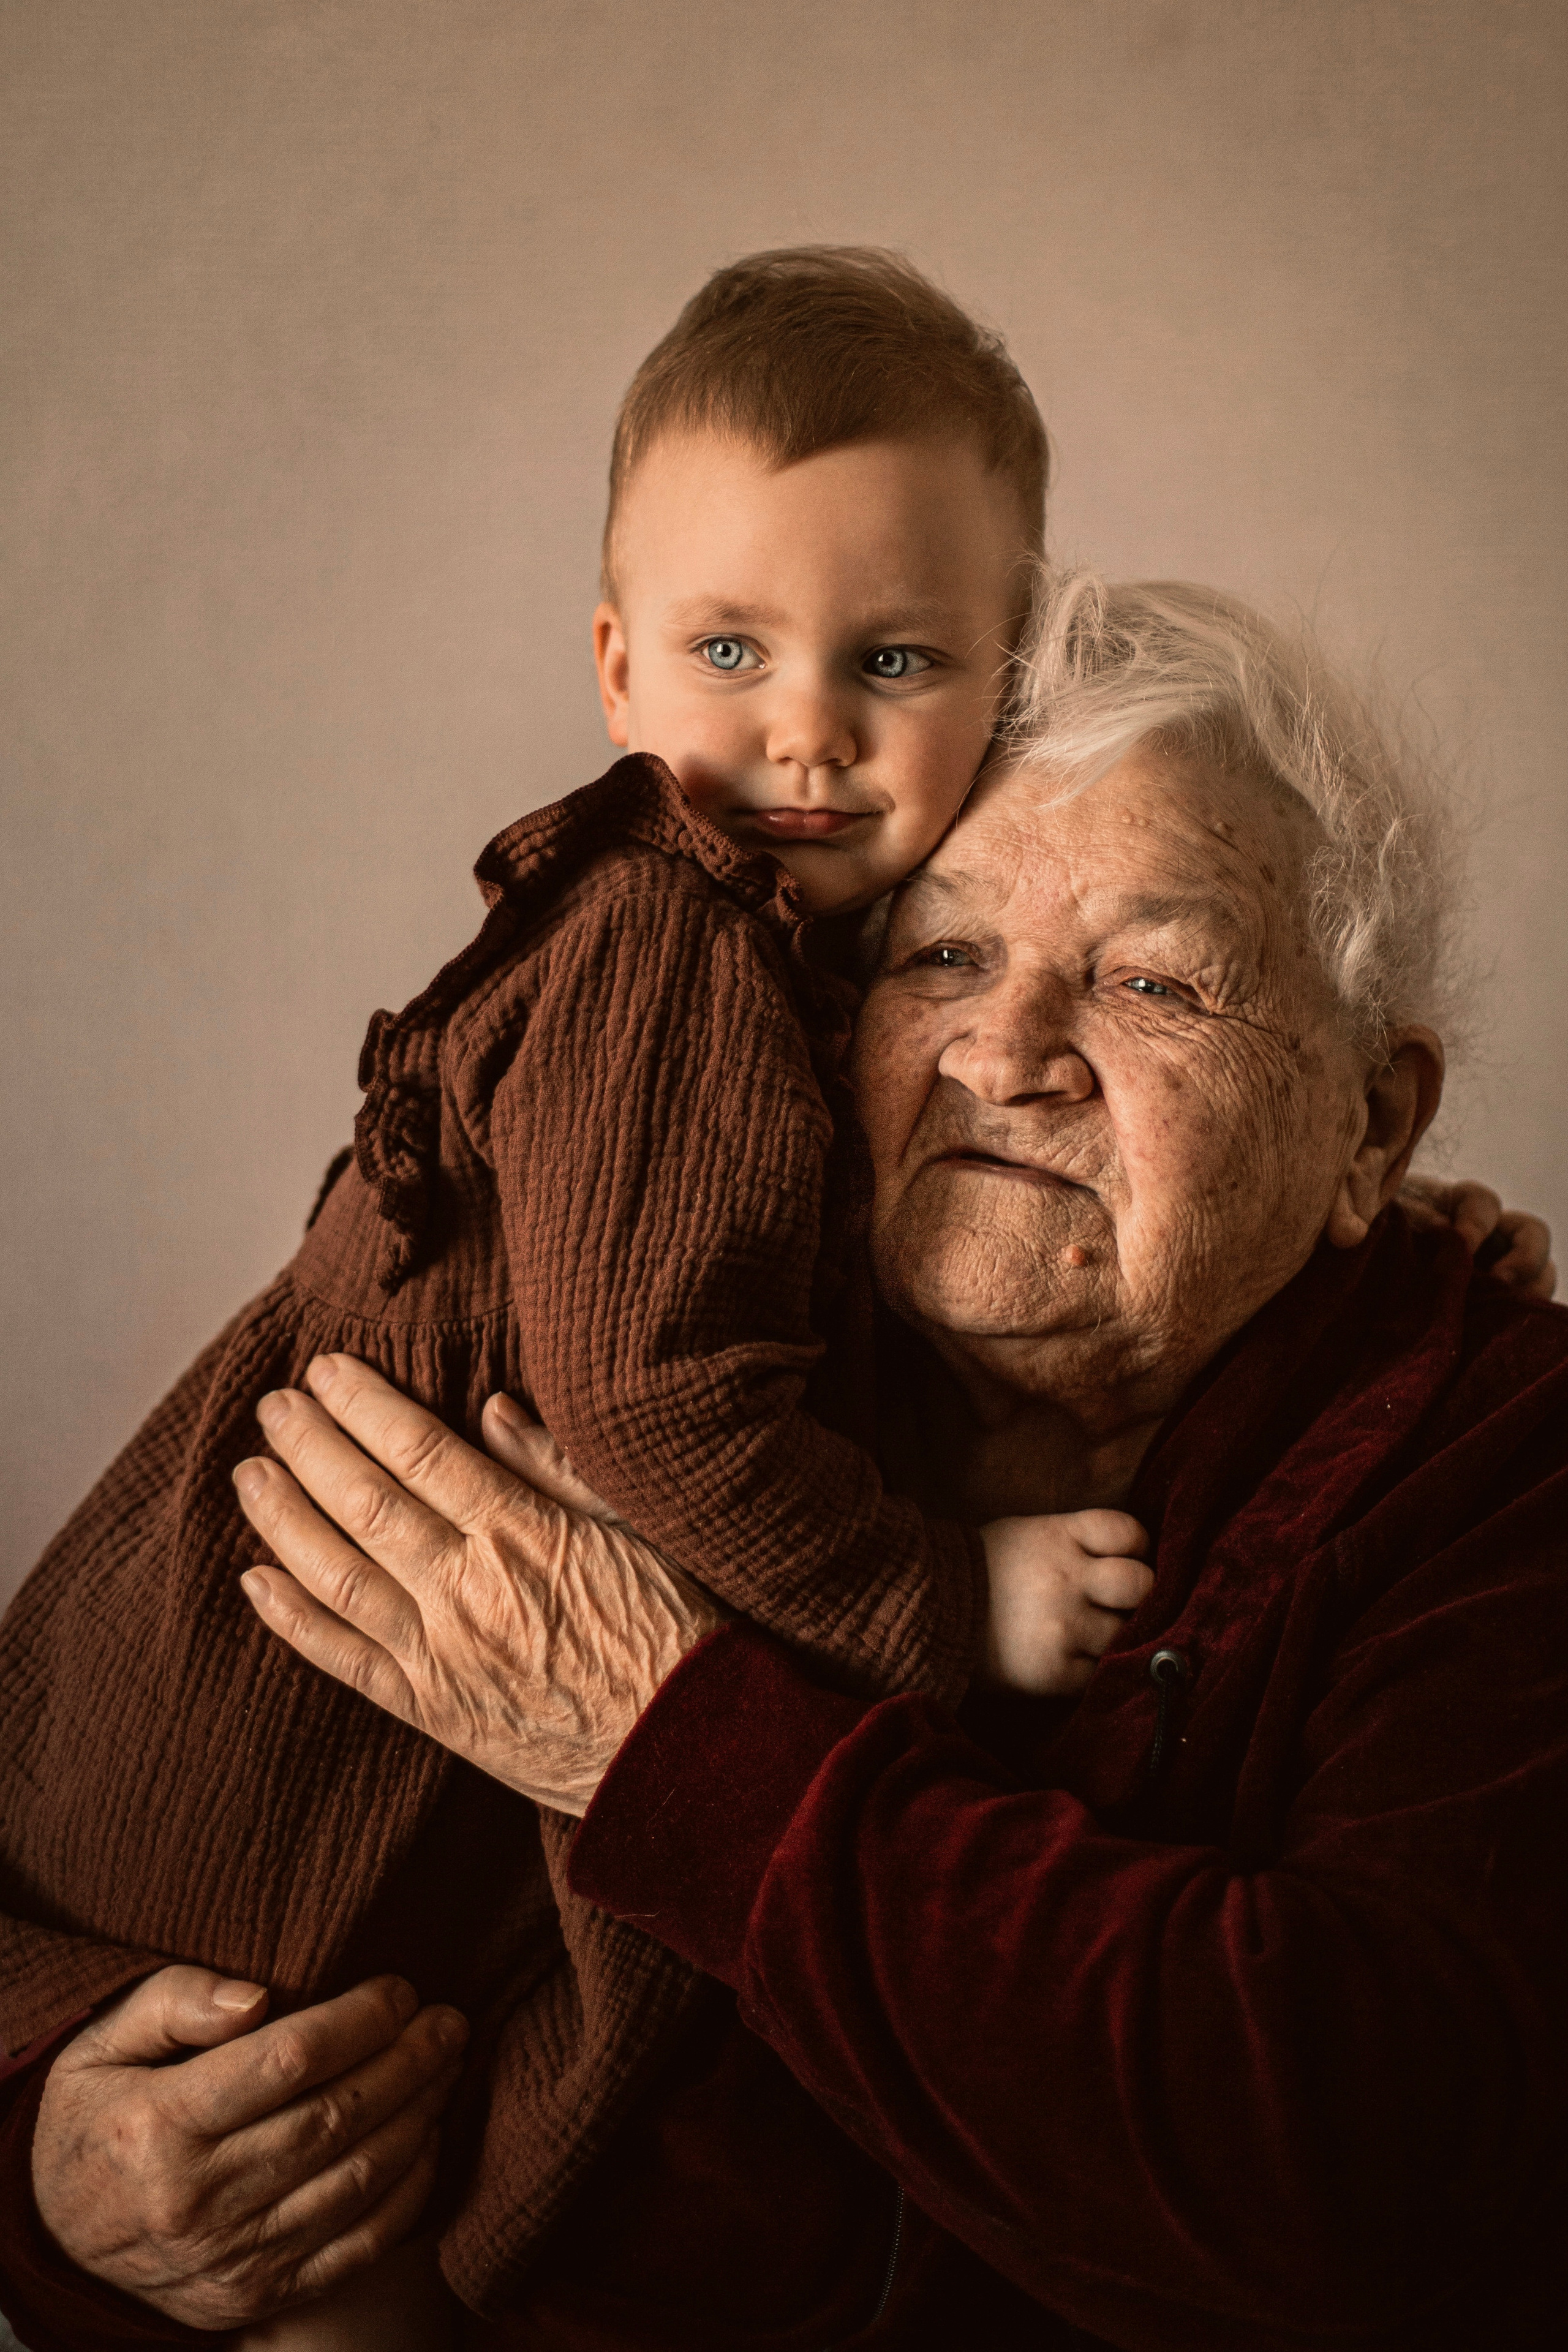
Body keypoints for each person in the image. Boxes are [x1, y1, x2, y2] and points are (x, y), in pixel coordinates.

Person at [9, 573, 1563, 2350]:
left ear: (1372, 1122)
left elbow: (1346, 2163)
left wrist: (662, 1734)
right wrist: (66, 2157)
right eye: (945, 956)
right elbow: (125, 1798)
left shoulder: (1505, 1466)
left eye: (1154, 979)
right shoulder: (654, 1362)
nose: (1006, 1053)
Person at [0, 250, 1167, 2350]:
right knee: (322, 2182)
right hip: (282, 1698)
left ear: (1009, 679)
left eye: (894, 656)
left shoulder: (771, 957)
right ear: (620, 671)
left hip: (335, 1692)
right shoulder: (672, 952)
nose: (807, 727)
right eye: (737, 647)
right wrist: (943, 1599)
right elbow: (660, 1419)